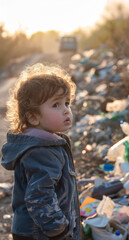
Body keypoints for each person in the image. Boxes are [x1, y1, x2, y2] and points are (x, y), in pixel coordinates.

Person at [1, 63, 81, 240]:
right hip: (40, 233)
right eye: (56, 105)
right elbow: (39, 198)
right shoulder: (40, 151)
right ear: (33, 117)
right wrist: (59, 229)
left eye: (67, 103)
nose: (66, 110)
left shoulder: (48, 144)